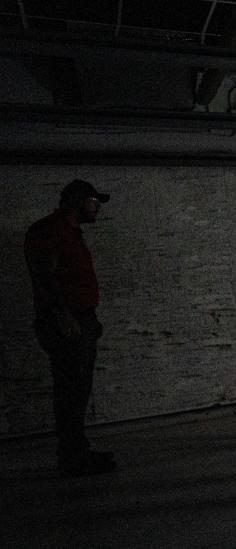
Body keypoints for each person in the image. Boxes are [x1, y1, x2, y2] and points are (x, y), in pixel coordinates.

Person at [24, 178, 116, 477]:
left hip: (79, 318)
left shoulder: (71, 233)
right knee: (71, 390)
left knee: (77, 389)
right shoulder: (51, 230)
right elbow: (45, 276)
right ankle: (73, 458)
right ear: (78, 201)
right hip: (66, 320)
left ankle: (78, 451)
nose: (97, 207)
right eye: (93, 201)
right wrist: (64, 316)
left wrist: (89, 318)